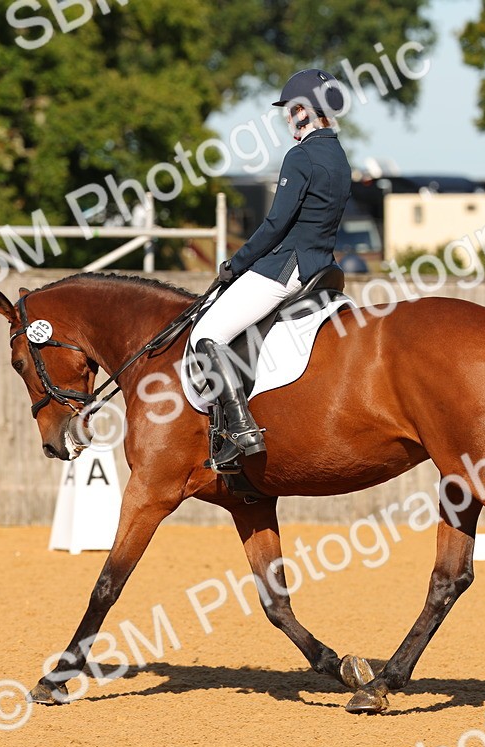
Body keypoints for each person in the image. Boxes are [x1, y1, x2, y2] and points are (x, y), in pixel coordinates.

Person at [190, 68, 352, 471]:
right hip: (322, 267)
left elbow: (276, 224)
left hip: (288, 267)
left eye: (291, 110)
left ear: (305, 110)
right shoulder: (339, 157)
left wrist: (236, 264)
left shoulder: (301, 157)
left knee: (208, 333)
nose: (287, 119)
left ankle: (241, 429)